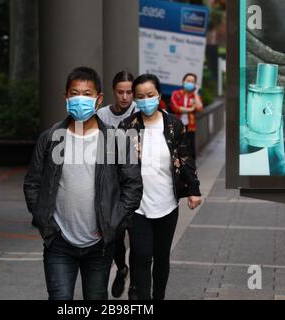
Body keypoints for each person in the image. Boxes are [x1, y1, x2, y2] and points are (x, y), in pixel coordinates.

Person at [23, 66, 143, 300]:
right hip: (58, 242)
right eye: (75, 93)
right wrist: (45, 223)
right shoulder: (51, 138)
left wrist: (113, 222)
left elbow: (133, 186)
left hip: (99, 244)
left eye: (87, 94)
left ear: (98, 99)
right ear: (66, 97)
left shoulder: (117, 140)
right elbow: (33, 184)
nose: (80, 99)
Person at [119, 74, 202, 300]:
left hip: (167, 204)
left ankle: (159, 297)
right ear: (135, 100)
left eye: (150, 95)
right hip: (138, 207)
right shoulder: (127, 126)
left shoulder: (173, 125)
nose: (146, 100)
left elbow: (185, 158)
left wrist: (194, 190)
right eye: (140, 97)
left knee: (161, 257)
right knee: (142, 256)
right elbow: (114, 166)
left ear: (158, 96)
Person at [97, 71, 137, 299]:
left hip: (137, 182)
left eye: (129, 92)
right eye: (120, 92)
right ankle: (122, 269)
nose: (124, 97)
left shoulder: (140, 113)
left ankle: (135, 285)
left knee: (138, 237)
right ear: (113, 91)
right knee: (117, 234)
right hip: (112, 182)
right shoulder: (102, 115)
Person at [170, 73, 204, 160]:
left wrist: (196, 93)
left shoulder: (195, 96)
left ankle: (191, 169)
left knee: (190, 148)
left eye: (192, 82)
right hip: (177, 125)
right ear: (183, 82)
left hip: (190, 126)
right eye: (188, 81)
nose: (190, 83)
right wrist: (190, 109)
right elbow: (175, 107)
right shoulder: (176, 93)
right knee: (177, 147)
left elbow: (200, 108)